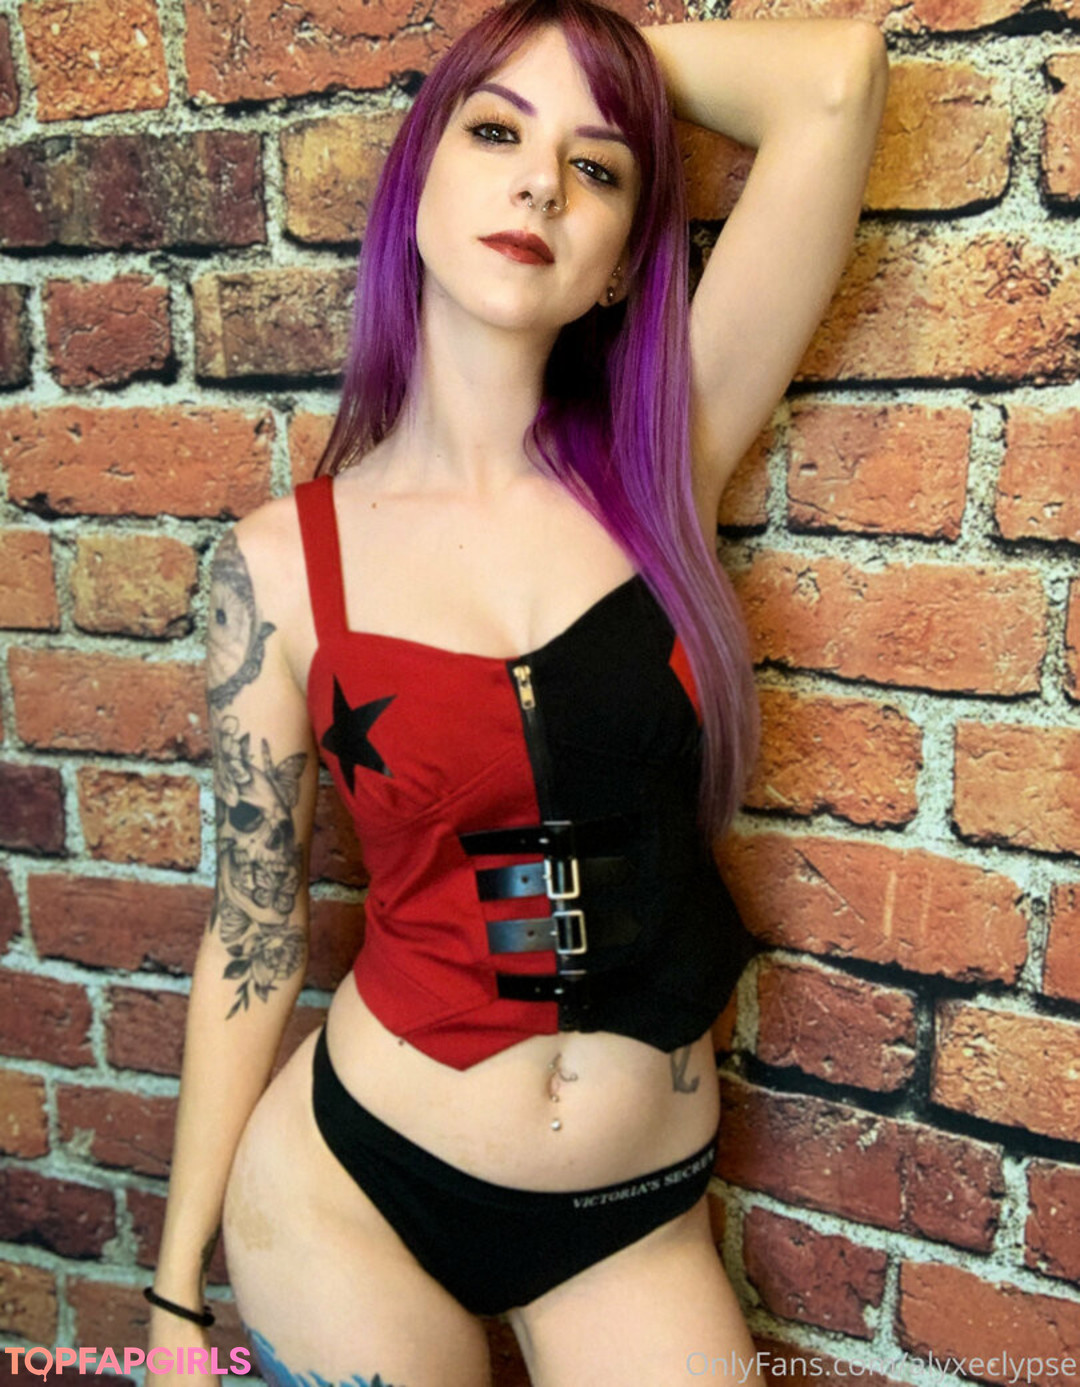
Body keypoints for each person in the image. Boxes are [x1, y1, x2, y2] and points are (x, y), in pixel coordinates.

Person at [145, 2, 888, 1382]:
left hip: (632, 1222)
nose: (541, 182)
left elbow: (837, 80)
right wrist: (176, 1293)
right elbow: (251, 934)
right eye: (493, 133)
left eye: (597, 167)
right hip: (353, 1198)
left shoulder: (667, 459)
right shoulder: (277, 567)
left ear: (621, 264)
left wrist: (578, 56)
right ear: (416, 179)